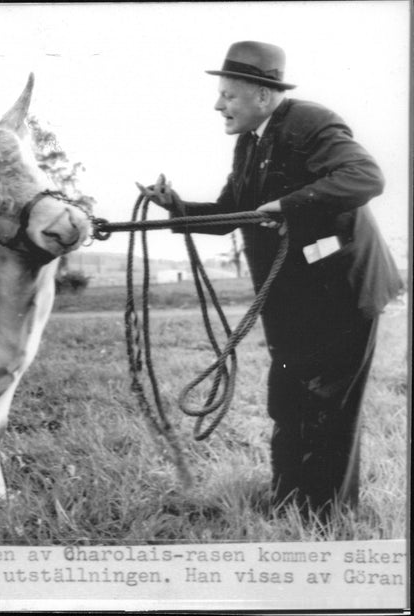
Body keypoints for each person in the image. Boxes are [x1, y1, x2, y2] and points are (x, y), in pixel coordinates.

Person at [144, 41, 403, 520]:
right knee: (288, 401)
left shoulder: (310, 122)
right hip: (292, 299)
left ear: (263, 95)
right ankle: (288, 501)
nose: (218, 105)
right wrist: (174, 207)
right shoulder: (248, 143)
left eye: (228, 95)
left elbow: (366, 177)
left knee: (327, 407)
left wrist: (288, 206)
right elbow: (231, 214)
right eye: (220, 94)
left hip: (342, 293)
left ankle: (326, 517)